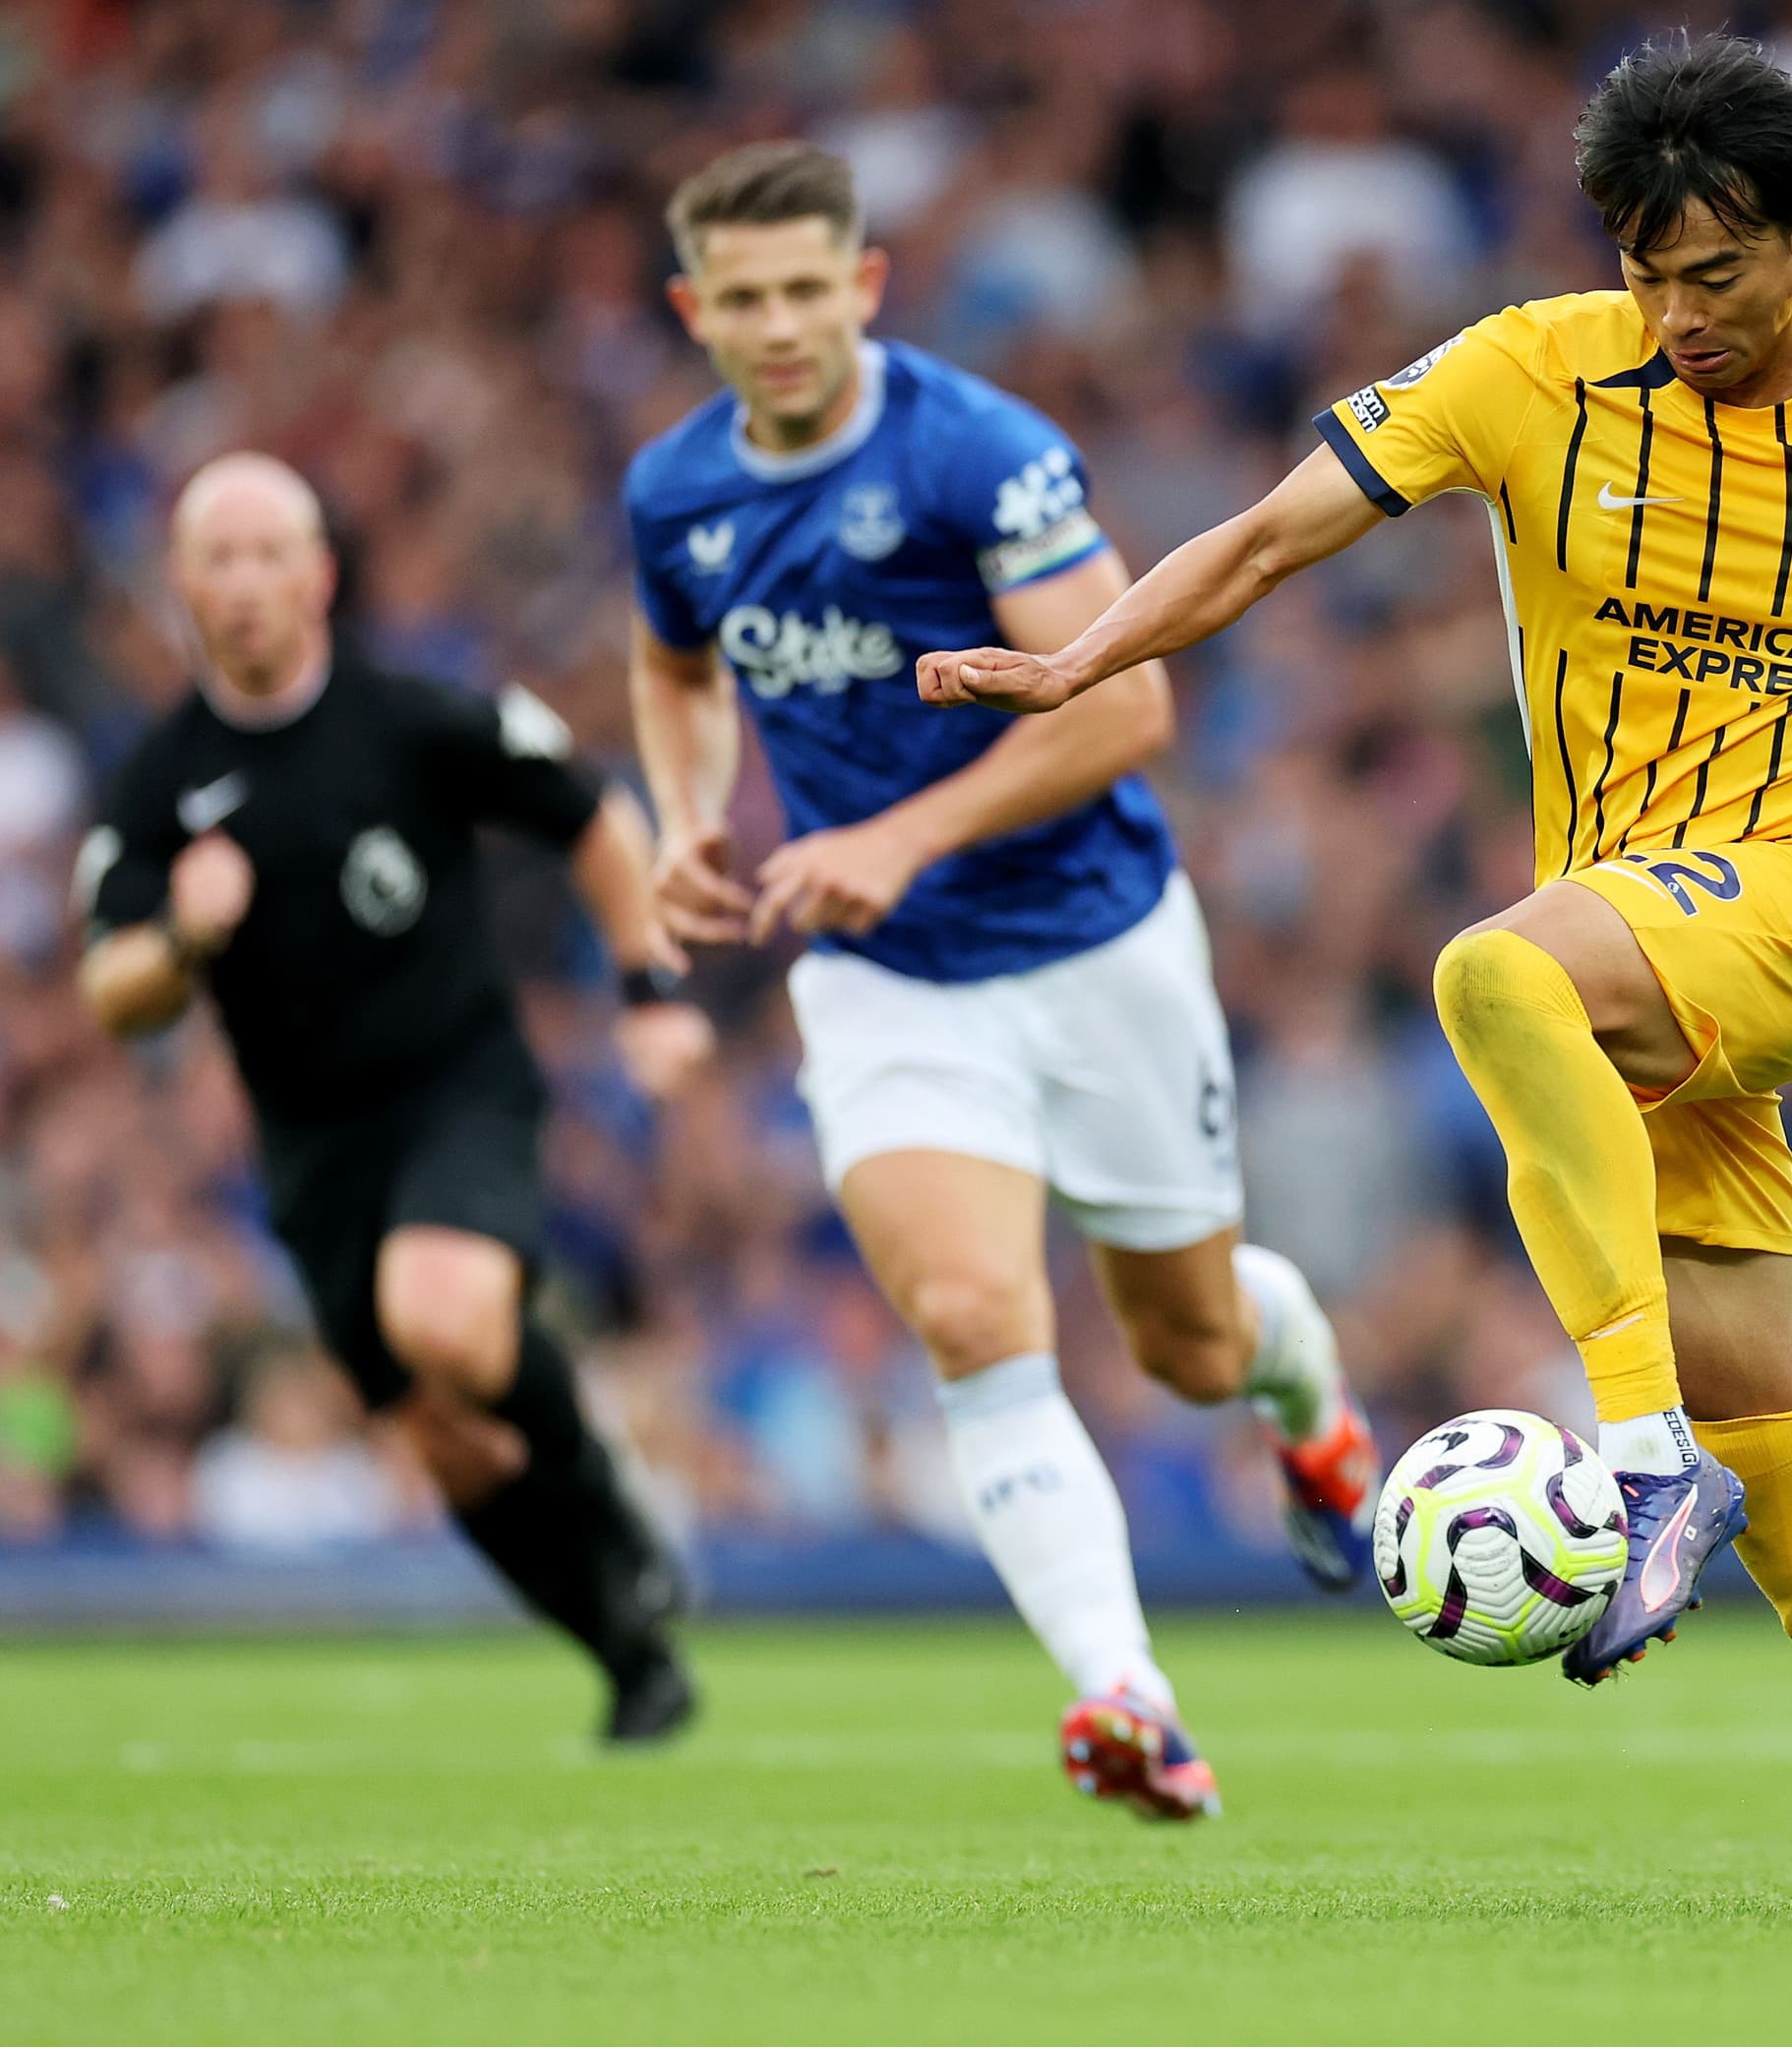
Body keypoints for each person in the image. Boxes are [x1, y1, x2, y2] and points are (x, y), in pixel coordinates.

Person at [917, 36, 1792, 1909]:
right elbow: (1266, 540)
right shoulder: (1525, 373)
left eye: (1718, 273)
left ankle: (1639, 1463)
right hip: (1643, 961)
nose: (1680, 313)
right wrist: (1079, 664)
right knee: (1766, 1431)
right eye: (1648, 271)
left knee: (1489, 976)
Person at [623, 141, 1376, 1825]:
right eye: (744, 300)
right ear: (695, 311)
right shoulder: (674, 492)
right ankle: (1130, 1699)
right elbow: (671, 669)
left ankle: (1311, 1407)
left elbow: (1128, 706)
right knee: (972, 1315)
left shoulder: (978, 452)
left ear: (864, 286)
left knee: (1191, 1348)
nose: (780, 326)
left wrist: (899, 834)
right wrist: (683, 817)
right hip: (888, 980)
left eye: (807, 290)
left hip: (1094, 943)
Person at [82, 453, 709, 1739]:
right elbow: (114, 989)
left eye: (268, 554)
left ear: (318, 576)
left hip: (455, 1086)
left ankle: (607, 1504)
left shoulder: (411, 719)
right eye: (218, 558)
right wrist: (186, 936)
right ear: (182, 585)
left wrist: (648, 991)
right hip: (313, 1148)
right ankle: (627, 1650)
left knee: (446, 1321)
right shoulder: (160, 777)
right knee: (444, 1437)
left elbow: (595, 819)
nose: (245, 583)